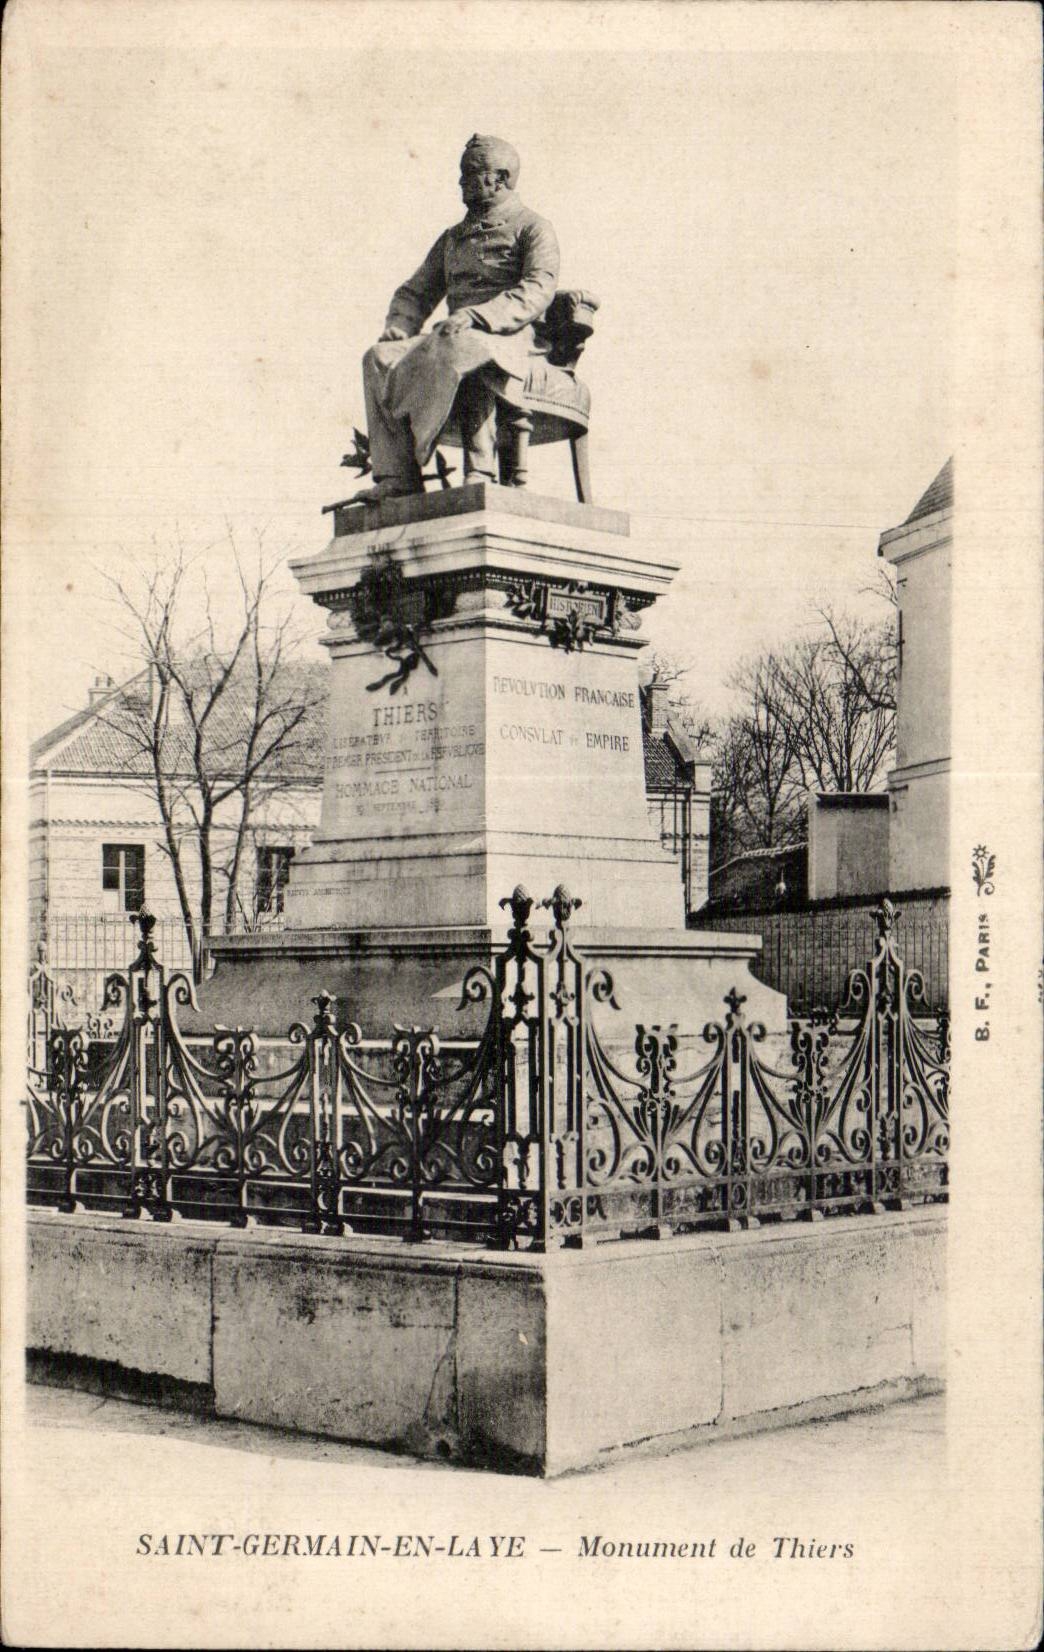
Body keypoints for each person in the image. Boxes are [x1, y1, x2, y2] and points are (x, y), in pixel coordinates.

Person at [361, 134, 560, 497]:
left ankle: (480, 470)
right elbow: (417, 290)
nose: (460, 183)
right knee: (378, 358)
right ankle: (397, 478)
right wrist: (399, 325)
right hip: (453, 333)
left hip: (511, 336)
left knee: (466, 346)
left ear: (500, 178)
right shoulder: (452, 238)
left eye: (470, 174)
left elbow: (537, 289)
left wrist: (479, 316)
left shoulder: (533, 228)